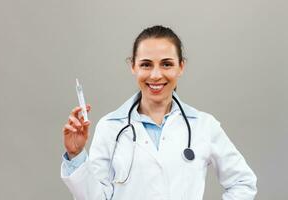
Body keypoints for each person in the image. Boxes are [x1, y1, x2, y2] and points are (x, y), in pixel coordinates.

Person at [61, 25, 257, 200]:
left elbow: (243, 183)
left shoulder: (204, 125)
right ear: (133, 67)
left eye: (166, 64)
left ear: (181, 67)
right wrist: (76, 155)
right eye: (146, 64)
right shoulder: (110, 126)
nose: (156, 75)